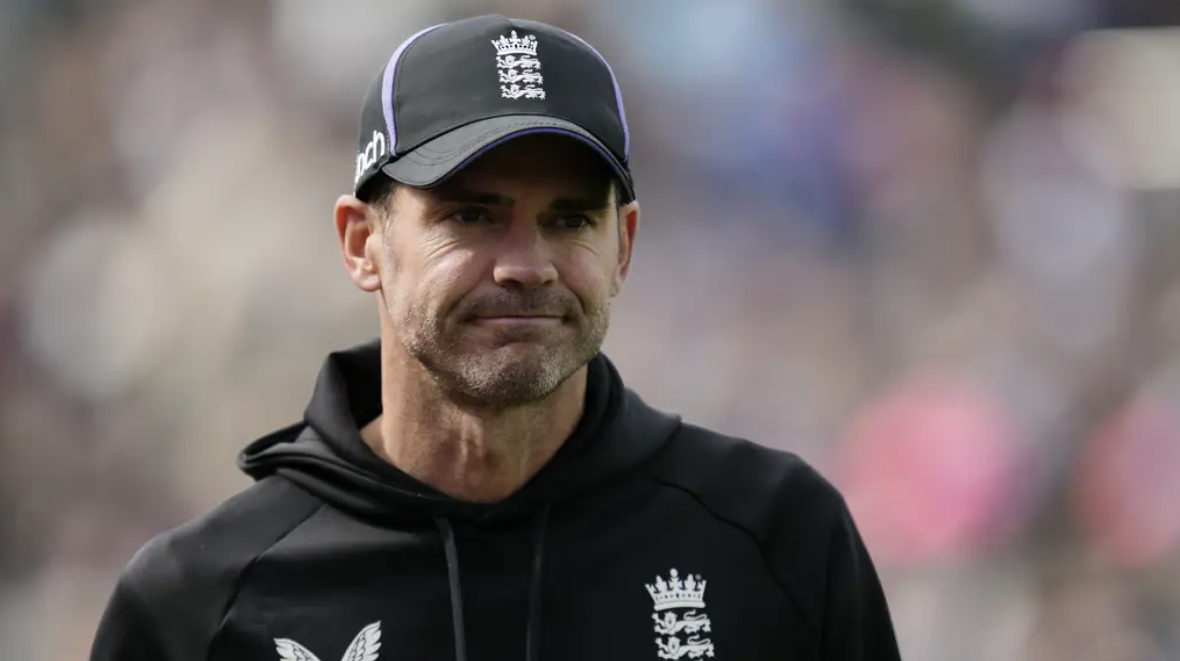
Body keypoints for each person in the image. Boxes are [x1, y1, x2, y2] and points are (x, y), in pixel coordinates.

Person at [89, 14, 901, 661]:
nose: (526, 265)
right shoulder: (199, 600)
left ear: (623, 247)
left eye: (569, 219)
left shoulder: (778, 539)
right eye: (471, 214)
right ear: (362, 243)